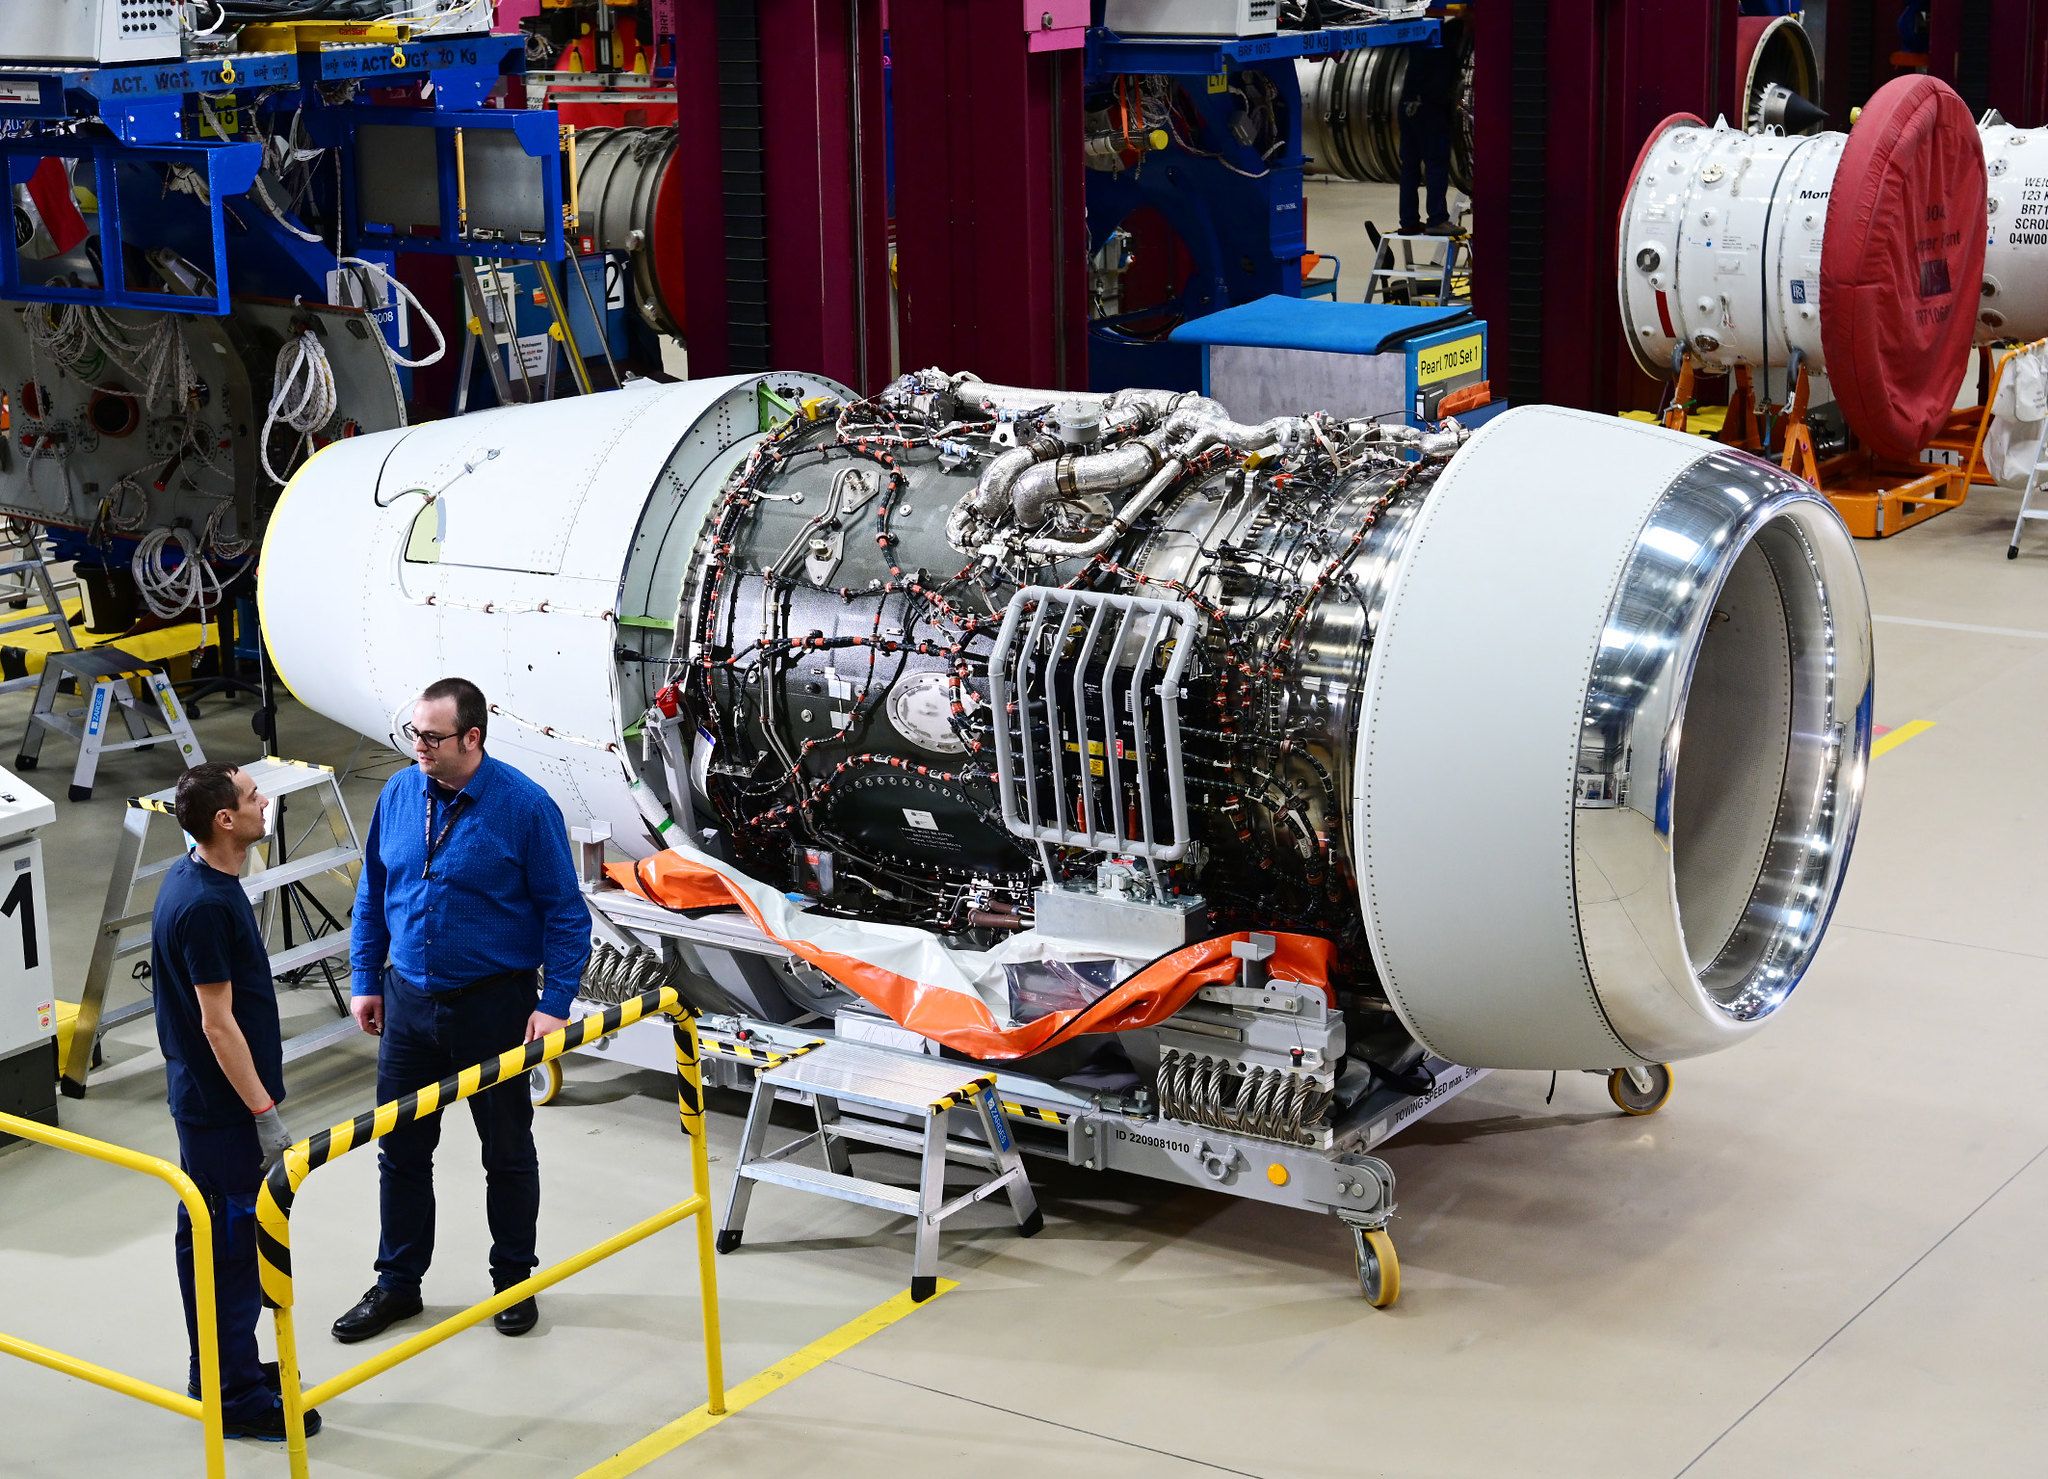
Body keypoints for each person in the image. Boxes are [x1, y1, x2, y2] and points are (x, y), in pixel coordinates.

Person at [332, 676, 589, 1344]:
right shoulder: (397, 792)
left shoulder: (523, 809)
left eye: (432, 737)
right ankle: (397, 1283)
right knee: (402, 1152)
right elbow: (374, 891)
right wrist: (365, 978)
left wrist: (555, 1003)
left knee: (505, 1151)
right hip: (408, 1004)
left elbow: (566, 914)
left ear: (472, 737)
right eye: (414, 732)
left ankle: (514, 1279)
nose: (418, 746)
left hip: (493, 1007)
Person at [152, 762, 322, 1443]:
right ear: (225, 819)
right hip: (224, 1112)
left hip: (203, 1103)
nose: (264, 801)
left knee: (206, 1236)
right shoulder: (207, 906)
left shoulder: (197, 880)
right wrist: (264, 1113)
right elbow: (216, 1022)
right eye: (253, 796)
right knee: (233, 1246)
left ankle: (221, 1367)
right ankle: (239, 1393)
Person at [1397, 39, 1458, 237]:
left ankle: (1409, 221)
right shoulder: (1445, 42)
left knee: (1410, 166)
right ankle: (1437, 219)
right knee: (1436, 162)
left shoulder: (1420, 36)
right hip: (1430, 107)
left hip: (1407, 105)